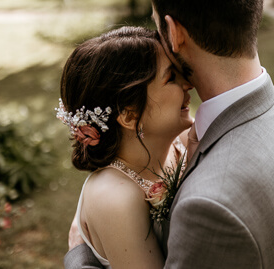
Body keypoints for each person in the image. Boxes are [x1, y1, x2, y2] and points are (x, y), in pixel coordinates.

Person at [65, 0, 274, 268]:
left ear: (174, 33)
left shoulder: (208, 205)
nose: (183, 83)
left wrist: (78, 256)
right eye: (170, 78)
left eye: (157, 27)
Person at [58, 26, 194, 268]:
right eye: (171, 77)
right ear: (130, 115)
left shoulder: (184, 140)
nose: (188, 84)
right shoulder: (116, 199)